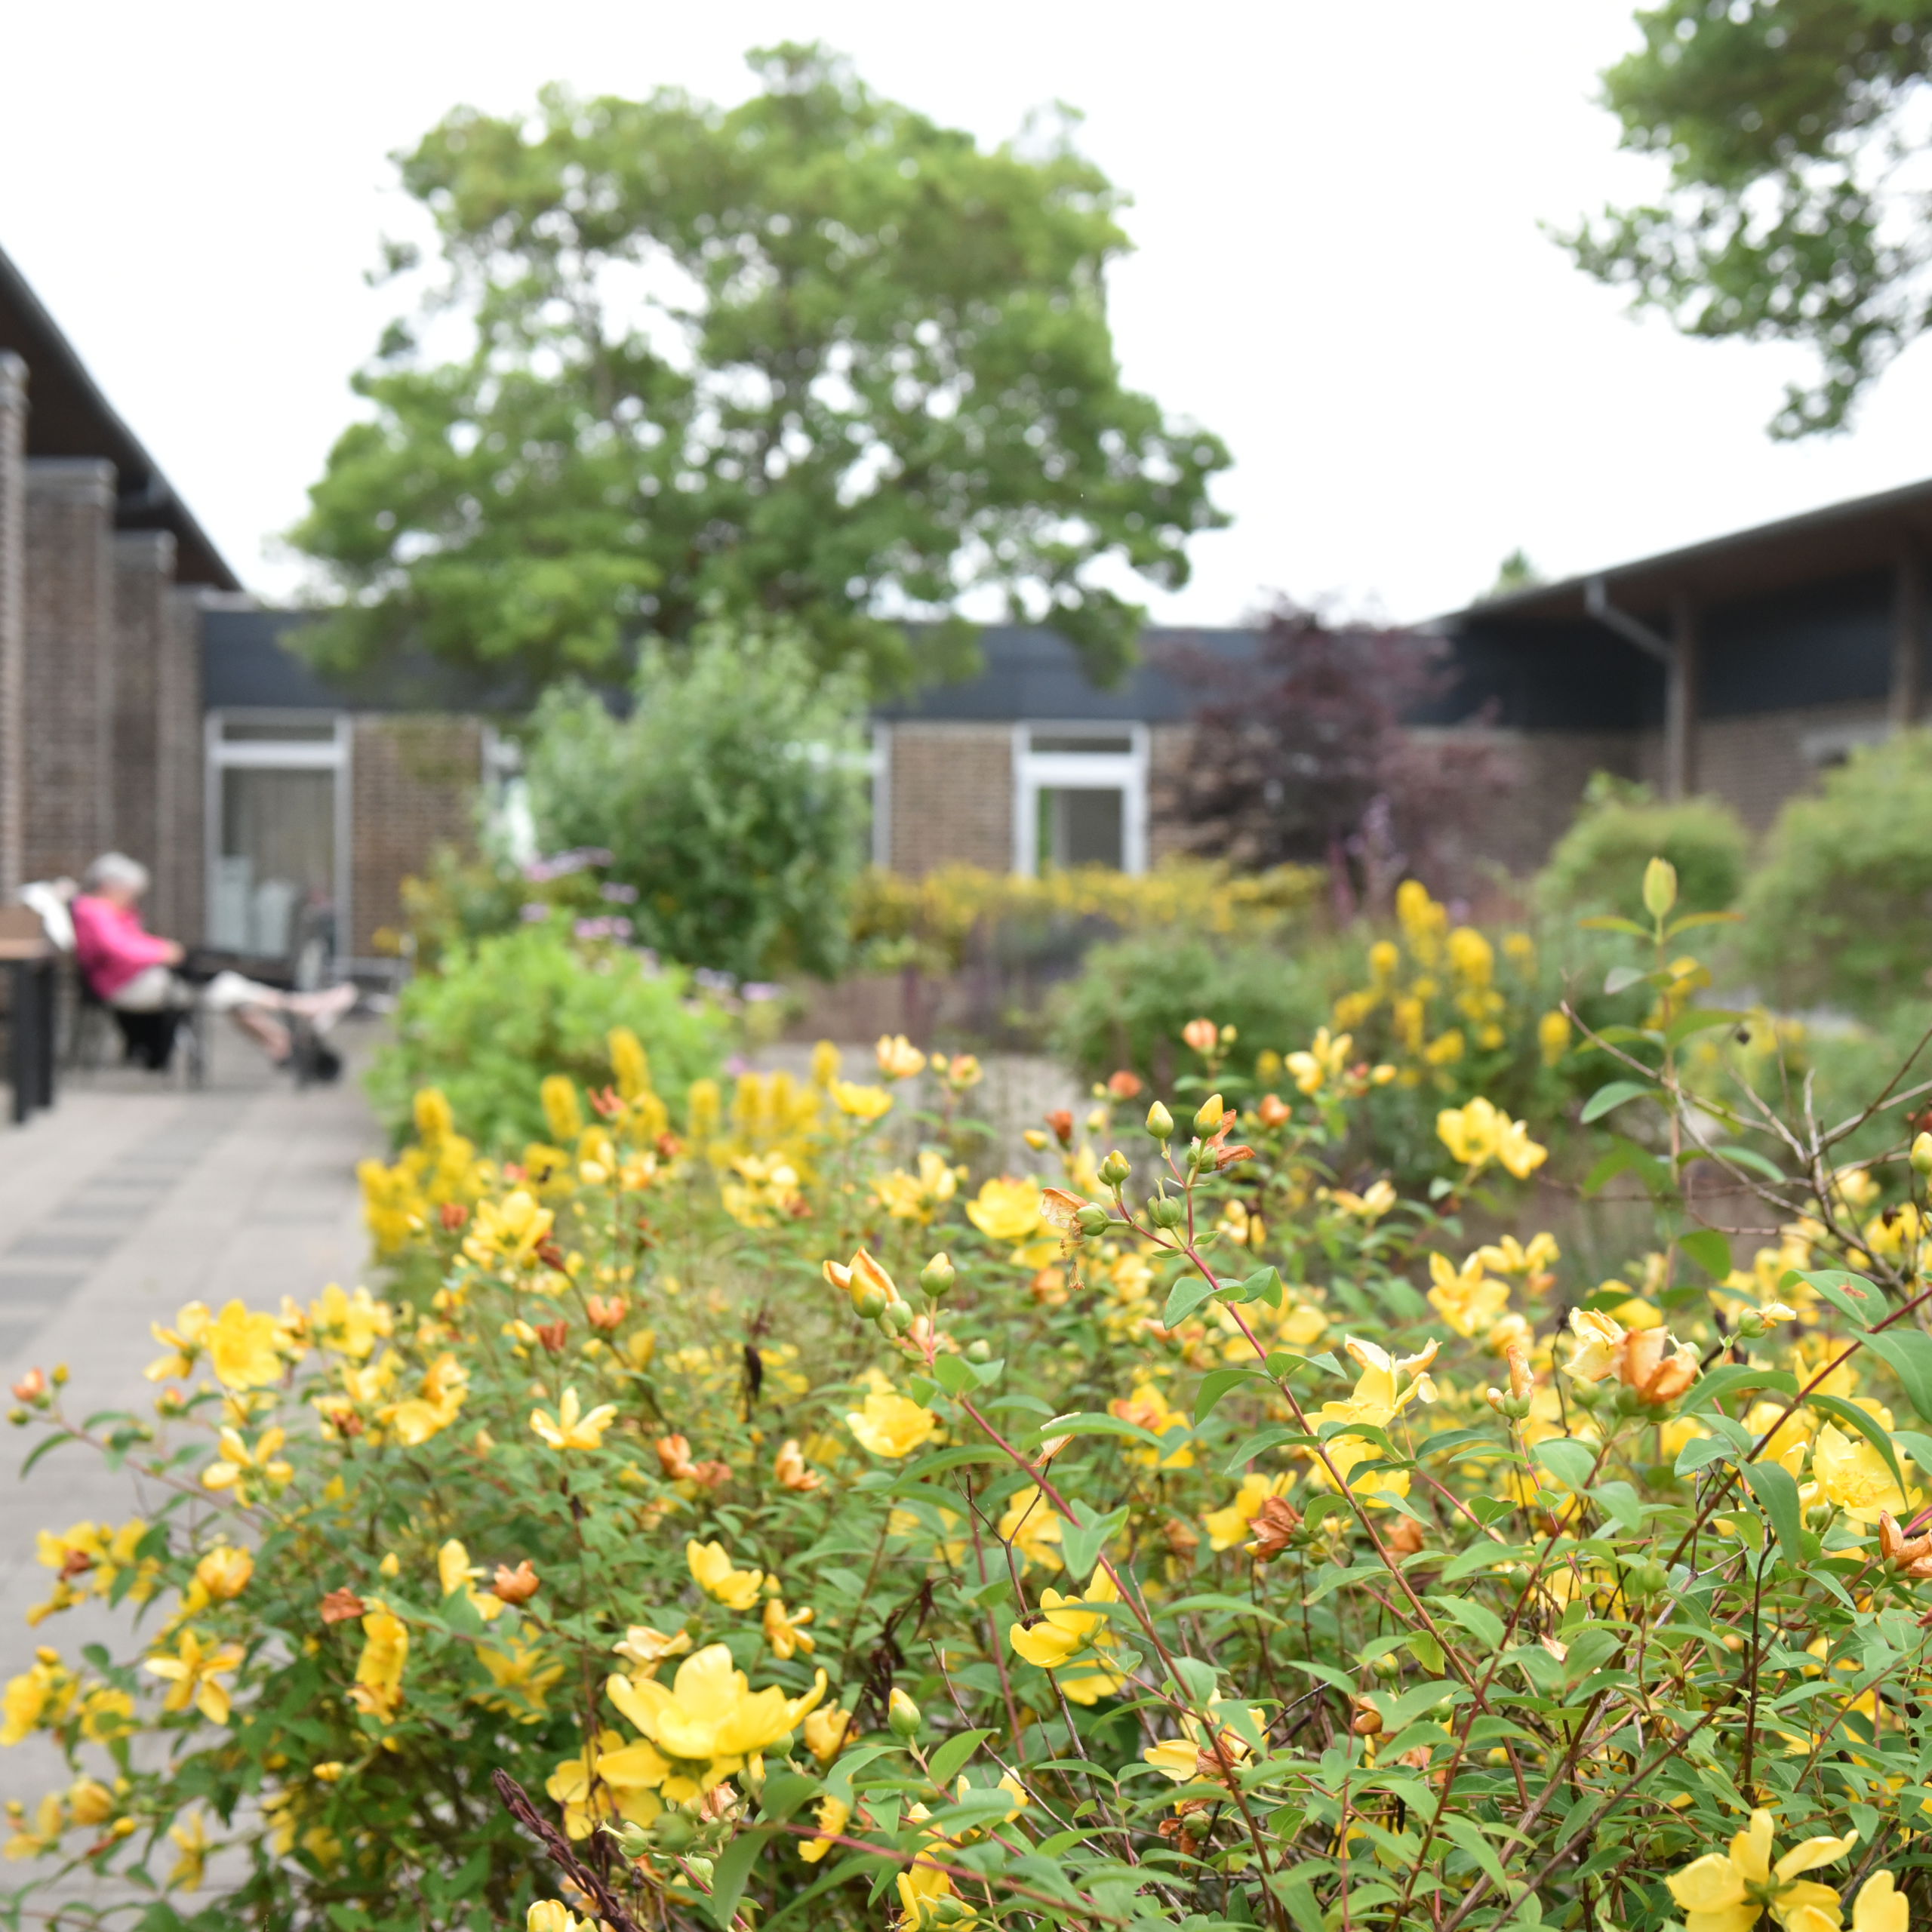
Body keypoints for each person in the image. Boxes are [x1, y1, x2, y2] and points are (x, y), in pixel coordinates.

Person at [69, 853, 357, 1074]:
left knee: (226, 989)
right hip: (129, 986)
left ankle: (283, 1041)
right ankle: (301, 1008)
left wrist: (162, 949)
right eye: (128, 892)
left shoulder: (106, 911)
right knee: (224, 986)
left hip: (143, 979)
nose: (131, 899)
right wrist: (162, 951)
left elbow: (130, 942)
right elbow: (119, 948)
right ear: (109, 886)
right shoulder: (95, 912)